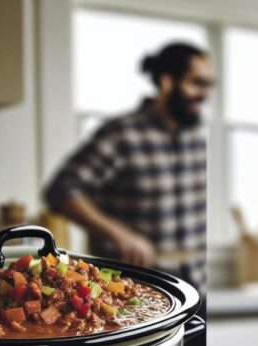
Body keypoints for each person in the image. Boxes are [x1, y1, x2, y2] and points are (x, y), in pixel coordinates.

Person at [44, 42, 211, 293]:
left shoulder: (196, 138)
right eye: (196, 83)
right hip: (135, 289)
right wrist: (119, 234)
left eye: (207, 85)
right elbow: (61, 190)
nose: (204, 94)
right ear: (167, 82)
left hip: (196, 289)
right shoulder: (122, 134)